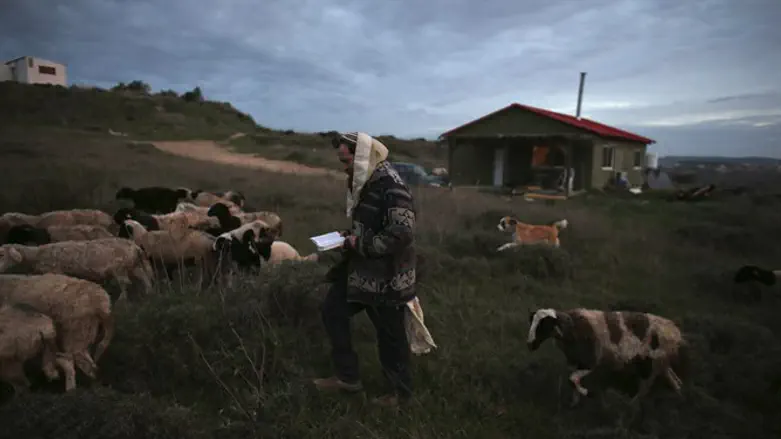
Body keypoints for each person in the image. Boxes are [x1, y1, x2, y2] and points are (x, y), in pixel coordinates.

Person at [313, 131, 417, 407]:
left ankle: (400, 395)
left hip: (387, 277)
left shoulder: (391, 187)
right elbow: (372, 225)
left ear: (362, 157)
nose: (344, 167)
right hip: (362, 272)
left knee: (390, 335)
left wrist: (361, 243)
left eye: (347, 161)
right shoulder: (368, 182)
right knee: (333, 311)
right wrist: (347, 236)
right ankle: (348, 378)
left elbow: (401, 233)